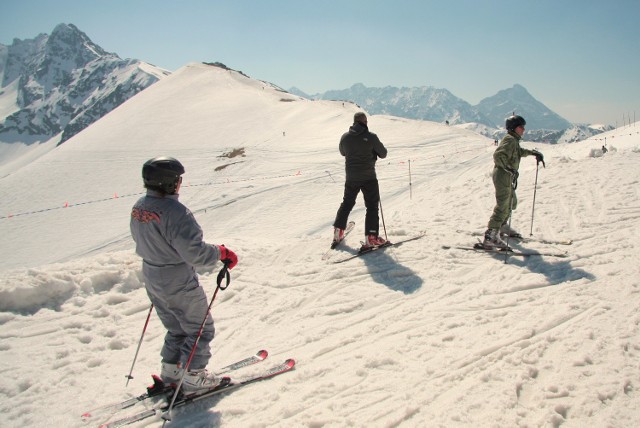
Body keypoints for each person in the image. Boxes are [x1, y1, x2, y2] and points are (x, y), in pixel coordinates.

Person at [130, 156, 238, 393]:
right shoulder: (176, 212)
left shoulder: (139, 207)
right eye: (178, 179)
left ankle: (171, 371)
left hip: (151, 274)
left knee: (177, 328)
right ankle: (194, 376)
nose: (180, 183)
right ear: (168, 182)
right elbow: (195, 253)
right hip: (176, 279)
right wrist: (221, 253)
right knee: (200, 328)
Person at [483, 115, 544, 249]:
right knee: (503, 205)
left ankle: (502, 226)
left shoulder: (513, 141)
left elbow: (518, 152)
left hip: (506, 175)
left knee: (511, 202)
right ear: (514, 128)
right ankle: (490, 236)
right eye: (521, 127)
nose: (523, 129)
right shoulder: (510, 140)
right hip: (503, 175)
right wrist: (508, 168)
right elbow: (498, 155)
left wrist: (533, 153)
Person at [332, 112, 388, 250]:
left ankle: (338, 232)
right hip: (369, 177)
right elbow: (383, 153)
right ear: (365, 122)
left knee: (347, 203)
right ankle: (371, 237)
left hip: (351, 177)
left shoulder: (345, 137)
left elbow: (342, 152)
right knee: (372, 206)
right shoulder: (371, 137)